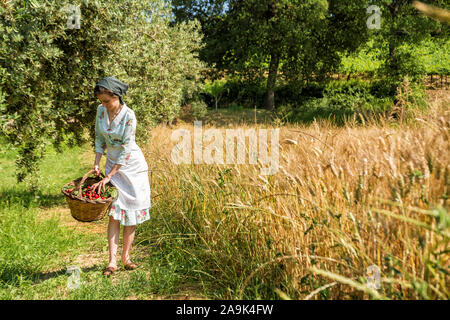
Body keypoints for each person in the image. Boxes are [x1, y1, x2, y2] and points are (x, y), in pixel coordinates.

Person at [90, 76, 151, 276]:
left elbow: (126, 149)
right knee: (114, 212)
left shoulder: (129, 116)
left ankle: (126, 258)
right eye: (101, 102)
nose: (104, 105)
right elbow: (100, 138)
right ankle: (112, 262)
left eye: (107, 101)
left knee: (130, 213)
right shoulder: (101, 112)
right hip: (111, 166)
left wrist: (109, 177)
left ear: (116, 96)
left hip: (131, 166)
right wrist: (97, 162)